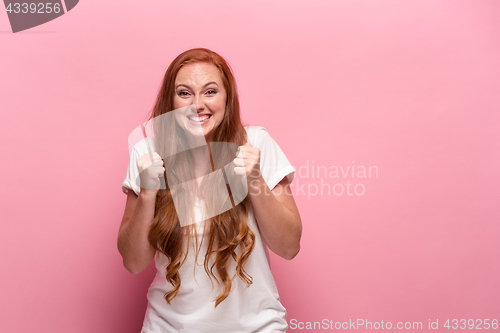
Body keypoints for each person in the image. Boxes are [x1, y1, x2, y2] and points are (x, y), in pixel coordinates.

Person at [118, 48, 302, 333]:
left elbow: (289, 246)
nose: (197, 105)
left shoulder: (256, 143)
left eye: (210, 91)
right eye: (184, 93)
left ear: (227, 98)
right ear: (171, 100)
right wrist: (146, 193)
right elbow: (132, 262)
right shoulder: (148, 153)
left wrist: (254, 179)